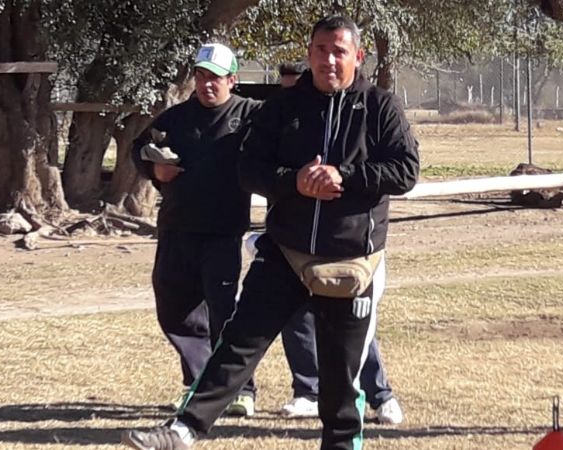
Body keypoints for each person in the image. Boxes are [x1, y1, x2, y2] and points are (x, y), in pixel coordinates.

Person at [121, 14, 419, 450]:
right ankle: (184, 430)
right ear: (309, 53)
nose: (328, 60)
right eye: (320, 50)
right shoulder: (283, 107)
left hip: (351, 258)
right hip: (285, 252)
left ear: (358, 56)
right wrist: (293, 181)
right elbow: (250, 170)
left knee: (339, 373)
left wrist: (345, 177)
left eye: (339, 51)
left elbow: (405, 170)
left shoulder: (380, 107)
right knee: (238, 342)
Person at [130, 42, 261, 418]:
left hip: (222, 232)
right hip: (175, 228)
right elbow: (139, 149)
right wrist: (154, 170)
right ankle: (199, 383)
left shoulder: (250, 115)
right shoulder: (175, 118)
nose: (207, 85)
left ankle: (241, 390)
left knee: (223, 313)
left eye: (216, 78)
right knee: (173, 310)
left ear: (233, 80)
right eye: (201, 76)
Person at [273, 60, 404, 424]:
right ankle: (307, 391)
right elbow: (262, 172)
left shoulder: (368, 109)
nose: (291, 92)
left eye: (295, 83)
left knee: (352, 329)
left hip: (351, 249)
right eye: (284, 86)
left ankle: (379, 394)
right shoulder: (284, 116)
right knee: (297, 320)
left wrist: (341, 177)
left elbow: (402, 170)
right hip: (294, 246)